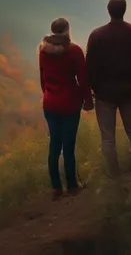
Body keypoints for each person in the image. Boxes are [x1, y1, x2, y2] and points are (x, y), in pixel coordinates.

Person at [86, 0, 131, 179]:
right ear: (125, 9)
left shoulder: (96, 35)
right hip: (129, 91)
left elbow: (90, 67)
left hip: (104, 94)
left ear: (108, 10)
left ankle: (114, 176)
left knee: (108, 138)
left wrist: (94, 89)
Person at [39, 17, 94, 200]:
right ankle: (72, 185)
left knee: (54, 145)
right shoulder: (74, 51)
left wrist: (47, 94)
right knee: (68, 146)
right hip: (70, 102)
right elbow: (83, 79)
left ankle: (56, 187)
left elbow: (43, 77)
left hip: (50, 103)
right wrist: (87, 100)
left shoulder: (43, 50)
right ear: (67, 30)